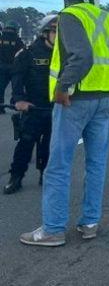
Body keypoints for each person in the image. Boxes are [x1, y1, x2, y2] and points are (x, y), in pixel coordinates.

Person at [20, 0, 109, 247]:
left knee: (59, 164)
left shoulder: (71, 15)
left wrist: (63, 87)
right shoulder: (108, 18)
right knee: (96, 163)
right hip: (105, 101)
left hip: (75, 99)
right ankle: (90, 223)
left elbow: (81, 55)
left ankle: (52, 229)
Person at [3, 15, 57, 194]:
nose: (59, 36)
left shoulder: (64, 55)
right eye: (55, 31)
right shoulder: (28, 52)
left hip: (55, 107)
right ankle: (16, 177)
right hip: (33, 107)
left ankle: (45, 174)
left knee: (50, 144)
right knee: (25, 143)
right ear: (45, 33)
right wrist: (19, 100)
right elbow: (17, 78)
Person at [0, 20, 25, 114]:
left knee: (0, 87)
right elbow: (23, 54)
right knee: (17, 87)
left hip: (1, 67)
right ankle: (15, 105)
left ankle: (0, 107)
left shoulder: (1, 38)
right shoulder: (18, 40)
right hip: (15, 67)